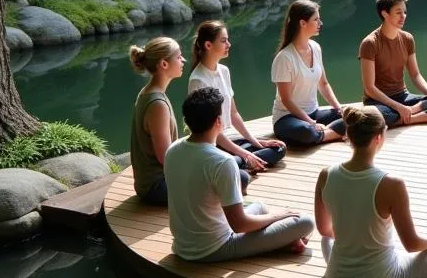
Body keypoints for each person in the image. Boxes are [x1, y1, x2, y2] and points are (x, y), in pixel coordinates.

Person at [315, 105, 427, 278]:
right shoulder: (391, 183)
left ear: (350, 134)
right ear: (379, 137)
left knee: (327, 240)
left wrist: (353, 240)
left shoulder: (326, 174)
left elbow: (325, 230)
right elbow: (412, 244)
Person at [164, 87, 314, 262]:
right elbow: (240, 225)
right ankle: (283, 242)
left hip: (182, 245)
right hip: (214, 248)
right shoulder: (221, 161)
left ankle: (283, 241)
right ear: (218, 121)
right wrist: (281, 215)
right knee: (305, 222)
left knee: (260, 206)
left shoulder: (173, 150)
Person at [188, 20, 286, 176]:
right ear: (208, 45)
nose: (229, 44)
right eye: (223, 41)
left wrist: (257, 142)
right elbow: (209, 131)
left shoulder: (224, 71)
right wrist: (245, 153)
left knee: (278, 148)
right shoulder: (198, 80)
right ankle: (239, 163)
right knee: (240, 159)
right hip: (213, 144)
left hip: (230, 139)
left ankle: (239, 163)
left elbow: (233, 113)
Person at [358, 0, 427, 127]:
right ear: (385, 14)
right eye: (398, 12)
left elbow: (416, 75)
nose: (403, 16)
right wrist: (398, 107)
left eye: (404, 12)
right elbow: (369, 88)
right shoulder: (370, 43)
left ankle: (407, 117)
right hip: (378, 101)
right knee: (379, 115)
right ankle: (410, 113)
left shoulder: (407, 39)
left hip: (403, 96)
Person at [270, 0, 346, 146]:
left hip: (313, 112)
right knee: (306, 131)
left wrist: (339, 108)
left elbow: (323, 84)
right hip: (288, 118)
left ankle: (325, 133)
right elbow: (287, 100)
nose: (320, 23)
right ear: (302, 23)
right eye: (316, 19)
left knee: (353, 117)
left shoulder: (315, 48)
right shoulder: (284, 58)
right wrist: (311, 123)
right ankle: (331, 133)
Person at [129, 37, 183, 205]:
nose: (183, 60)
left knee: (227, 169)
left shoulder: (147, 92)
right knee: (238, 178)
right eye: (179, 57)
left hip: (155, 182)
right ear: (164, 64)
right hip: (157, 186)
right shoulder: (157, 104)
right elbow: (165, 157)